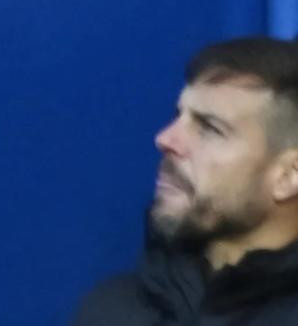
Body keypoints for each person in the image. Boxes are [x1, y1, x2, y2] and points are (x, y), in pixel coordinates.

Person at [74, 37, 298, 324]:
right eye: (179, 116)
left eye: (210, 128)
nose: (166, 139)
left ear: (289, 175)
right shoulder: (110, 310)